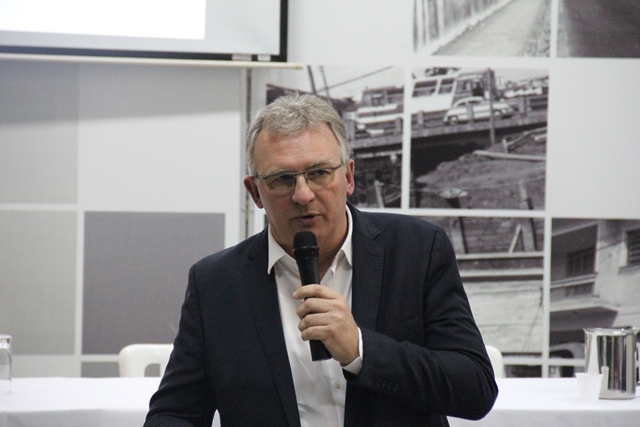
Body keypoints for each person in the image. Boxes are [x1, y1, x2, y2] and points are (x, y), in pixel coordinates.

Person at [144, 93, 498, 427]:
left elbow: (475, 389)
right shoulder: (216, 283)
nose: (303, 194)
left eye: (318, 173)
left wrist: (360, 349)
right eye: (282, 179)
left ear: (349, 177)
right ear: (255, 192)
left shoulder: (417, 250)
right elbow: (174, 413)